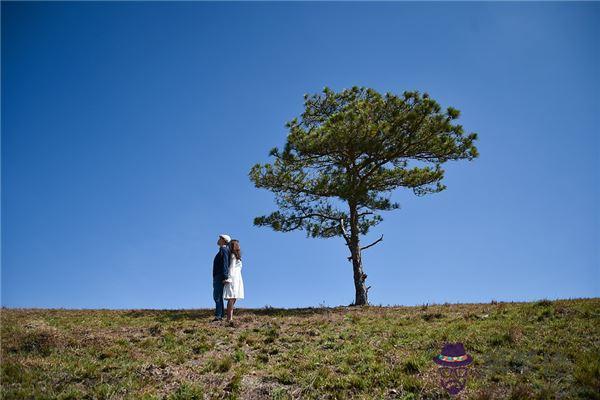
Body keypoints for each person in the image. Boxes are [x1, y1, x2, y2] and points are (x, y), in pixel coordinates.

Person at [223, 239, 244, 325]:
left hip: (237, 278)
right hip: (233, 278)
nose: (238, 245)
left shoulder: (237, 256)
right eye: (237, 244)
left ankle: (230, 317)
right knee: (231, 297)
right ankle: (229, 318)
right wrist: (229, 278)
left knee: (234, 297)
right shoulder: (232, 255)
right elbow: (231, 268)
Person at [212, 234, 231, 322]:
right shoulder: (222, 250)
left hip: (220, 276)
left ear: (224, 240)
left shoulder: (224, 249)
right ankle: (220, 314)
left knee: (217, 296)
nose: (218, 239)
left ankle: (219, 316)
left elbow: (225, 263)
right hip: (219, 276)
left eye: (220, 238)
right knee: (218, 295)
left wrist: (225, 276)